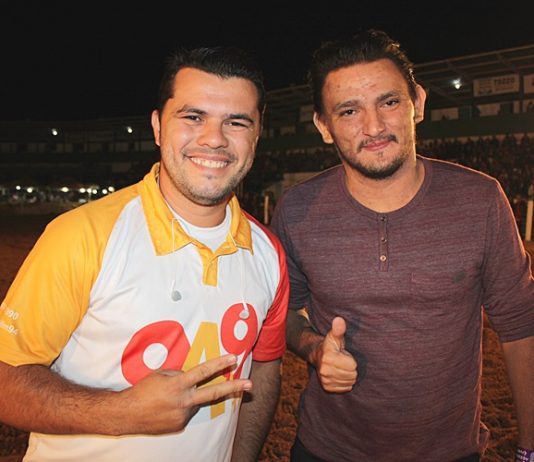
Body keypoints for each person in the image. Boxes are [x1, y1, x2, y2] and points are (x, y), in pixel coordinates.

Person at [0, 46, 289, 462]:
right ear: (157, 126)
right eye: (193, 117)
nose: (214, 138)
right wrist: (120, 413)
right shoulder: (82, 235)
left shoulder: (267, 252)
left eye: (236, 122)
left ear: (257, 135)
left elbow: (263, 368)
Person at [270, 29, 534, 462]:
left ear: (418, 102)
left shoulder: (481, 199)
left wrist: (529, 449)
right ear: (323, 126)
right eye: (349, 110)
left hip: (449, 452)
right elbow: (286, 313)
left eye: (389, 102)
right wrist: (314, 348)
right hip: (326, 450)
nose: (374, 126)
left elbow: (522, 324)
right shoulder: (297, 210)